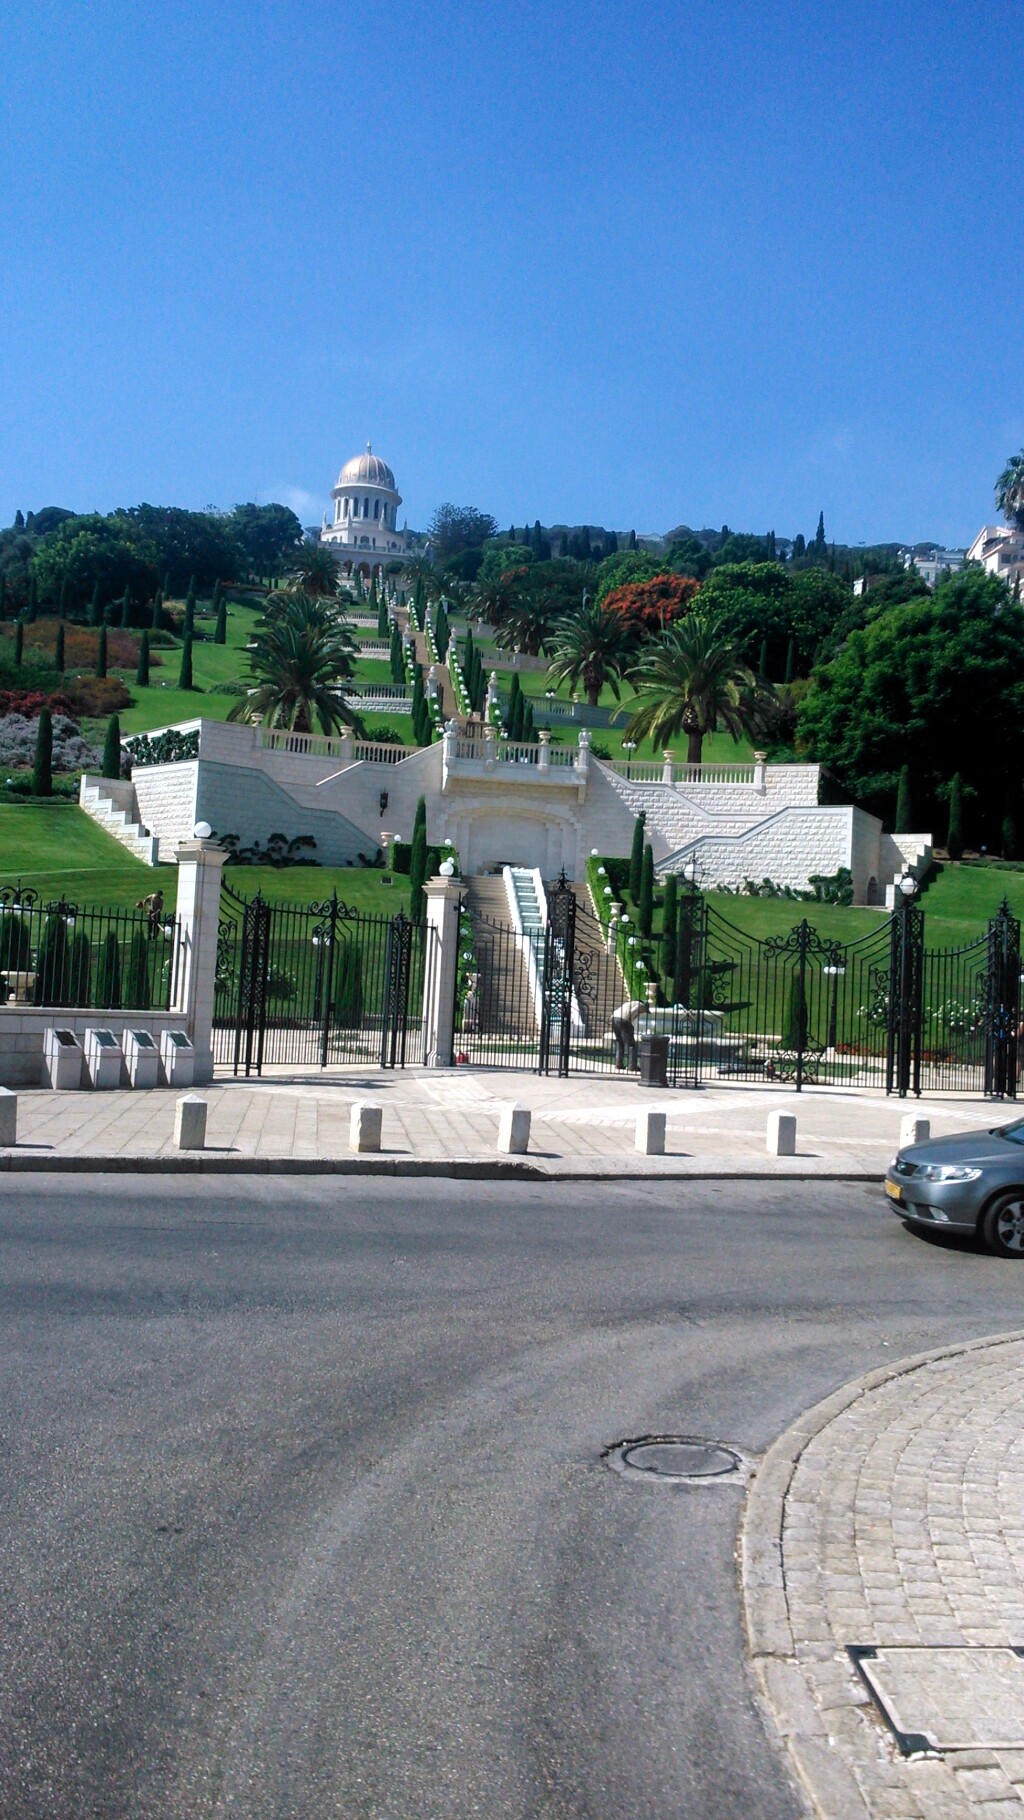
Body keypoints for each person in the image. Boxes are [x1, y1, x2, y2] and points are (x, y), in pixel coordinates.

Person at [611, 998, 645, 1069]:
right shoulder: (640, 1005)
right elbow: (632, 1011)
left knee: (620, 1042)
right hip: (623, 1020)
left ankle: (618, 1064)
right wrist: (629, 1023)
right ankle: (632, 1065)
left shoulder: (628, 1004)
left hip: (614, 1018)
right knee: (631, 1044)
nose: (643, 1012)